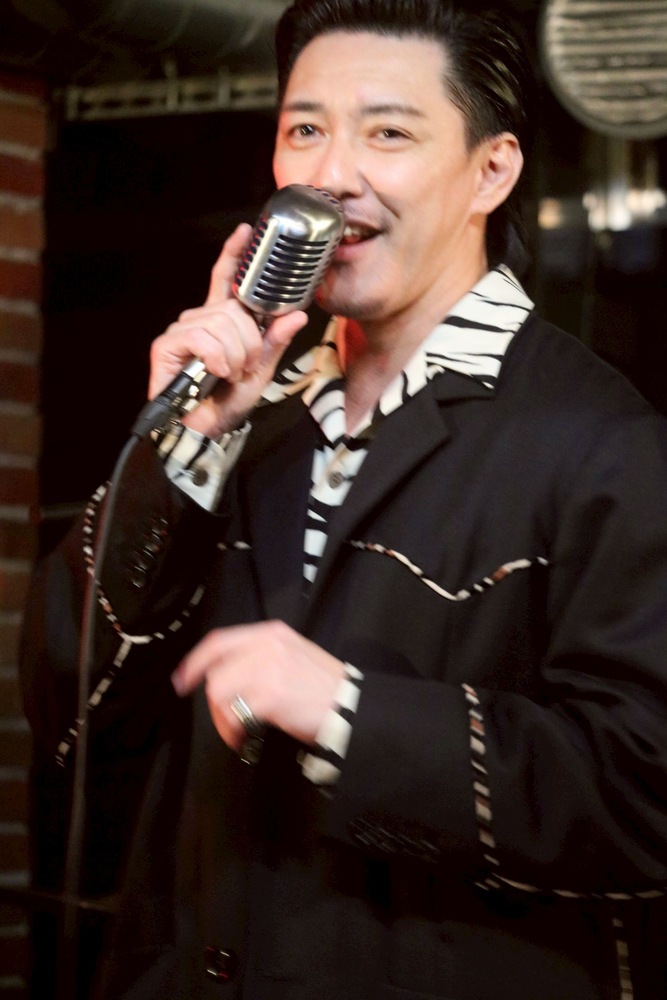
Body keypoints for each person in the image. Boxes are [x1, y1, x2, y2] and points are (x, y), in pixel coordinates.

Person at [19, 0, 667, 997]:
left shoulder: (600, 440)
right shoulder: (250, 412)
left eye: (388, 134)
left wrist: (351, 716)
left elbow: (642, 792)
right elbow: (70, 712)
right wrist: (187, 445)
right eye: (304, 130)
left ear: (491, 171)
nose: (330, 174)